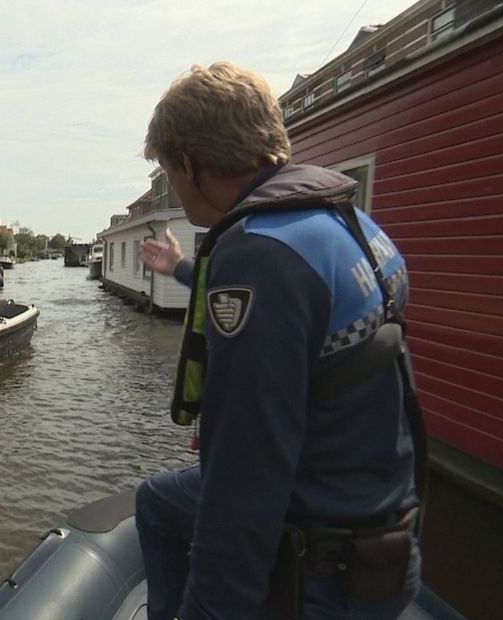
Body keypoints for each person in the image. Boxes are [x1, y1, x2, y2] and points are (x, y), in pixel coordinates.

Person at [134, 62, 422, 620]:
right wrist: (181, 267)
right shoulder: (345, 223)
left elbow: (247, 475)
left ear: (189, 166)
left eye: (170, 171)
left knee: (178, 504)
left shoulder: (257, 258)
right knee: (159, 502)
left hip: (320, 567)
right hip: (387, 537)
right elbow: (298, 305)